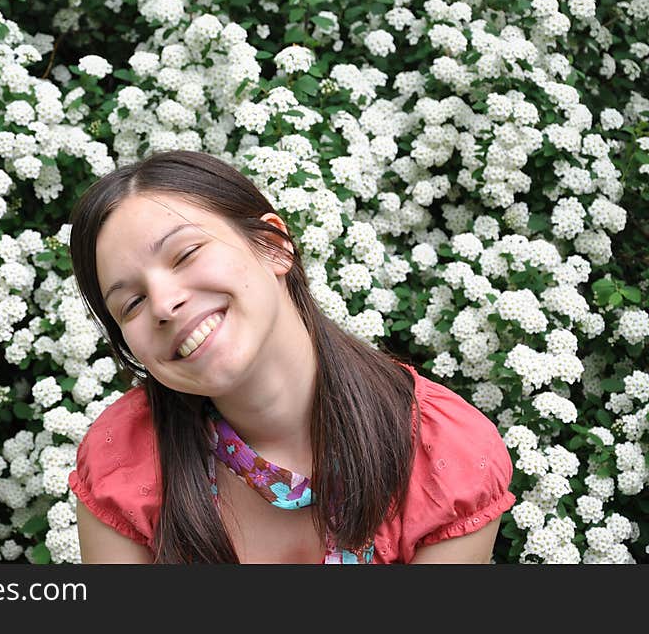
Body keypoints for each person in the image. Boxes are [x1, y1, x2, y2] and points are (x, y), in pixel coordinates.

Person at [67, 150, 515, 564]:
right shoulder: (123, 462)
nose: (163, 304)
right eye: (132, 303)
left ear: (274, 245)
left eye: (185, 254)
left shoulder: (444, 459)